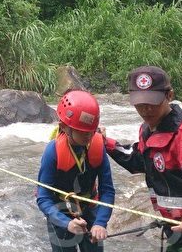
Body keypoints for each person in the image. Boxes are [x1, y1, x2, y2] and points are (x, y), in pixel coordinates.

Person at [103, 66, 182, 251]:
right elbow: (139, 160)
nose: (146, 109)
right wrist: (105, 142)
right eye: (140, 103)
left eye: (152, 102)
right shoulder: (148, 129)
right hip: (180, 227)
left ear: (169, 95)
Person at [37, 90, 114, 252]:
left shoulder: (98, 147)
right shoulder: (53, 151)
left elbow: (107, 190)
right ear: (64, 127)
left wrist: (100, 223)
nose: (88, 136)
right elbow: (43, 197)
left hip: (89, 209)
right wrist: (66, 223)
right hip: (60, 212)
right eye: (82, 131)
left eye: (91, 131)